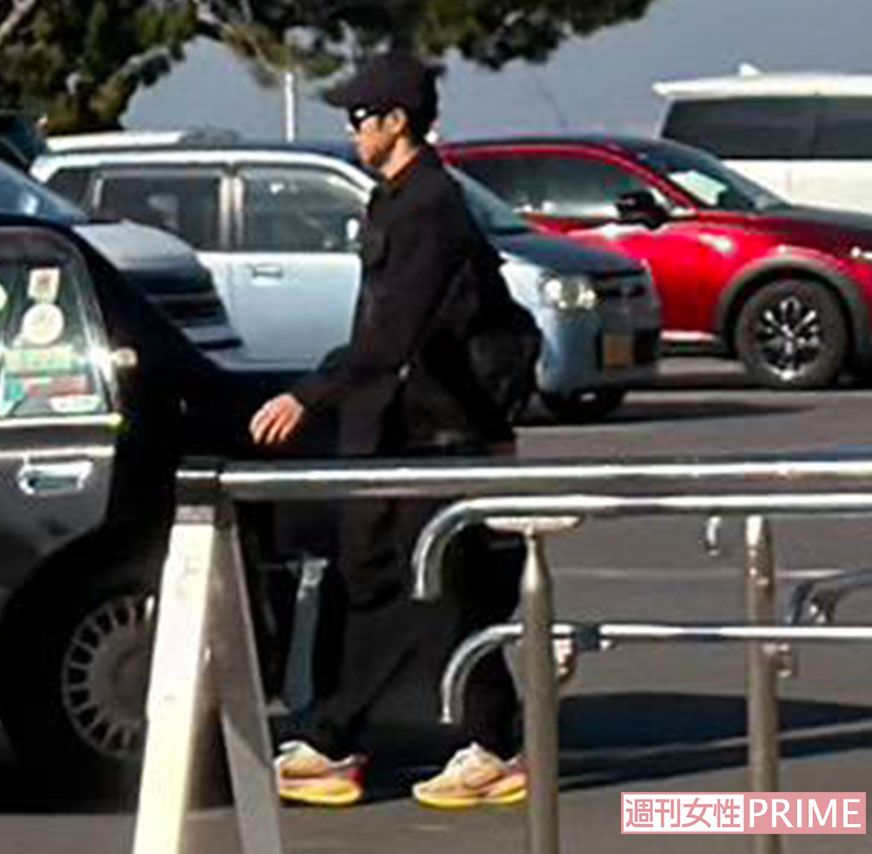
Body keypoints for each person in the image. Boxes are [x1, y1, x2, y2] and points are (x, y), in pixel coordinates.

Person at [249, 51, 529, 810]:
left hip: (433, 434)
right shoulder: (396, 200)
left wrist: (309, 395)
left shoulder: (430, 208)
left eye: (359, 118)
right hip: (397, 426)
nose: (351, 130)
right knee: (402, 583)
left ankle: (358, 742)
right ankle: (465, 744)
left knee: (418, 586)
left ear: (396, 121)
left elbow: (391, 335)